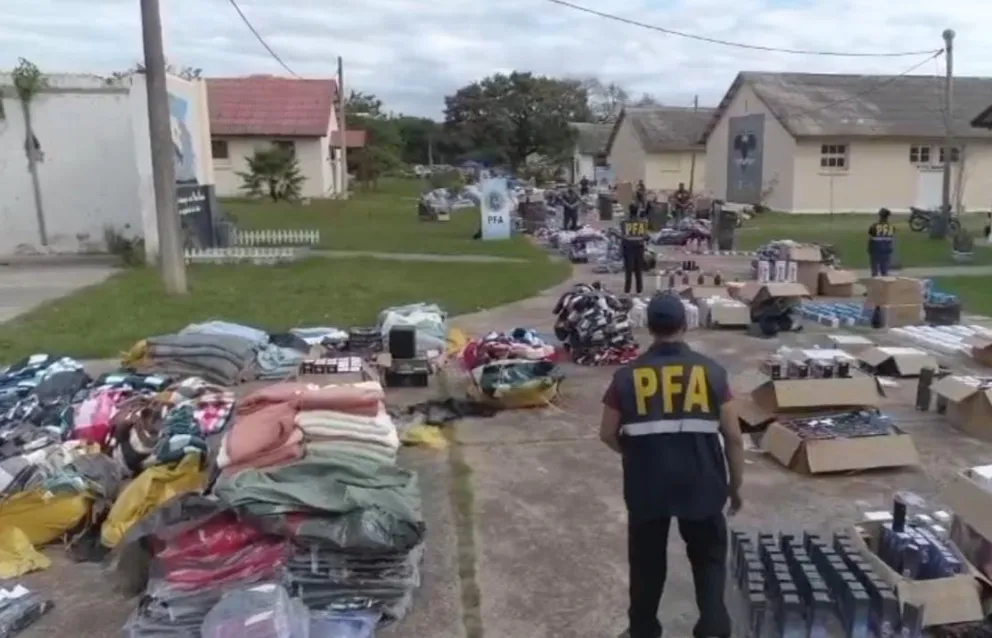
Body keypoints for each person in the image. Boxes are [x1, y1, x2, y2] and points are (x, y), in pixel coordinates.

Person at [599, 293, 745, 638]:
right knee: (708, 560)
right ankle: (712, 627)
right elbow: (734, 437)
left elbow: (606, 433)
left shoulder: (626, 377)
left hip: (647, 484)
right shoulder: (711, 372)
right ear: (685, 324)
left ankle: (643, 629)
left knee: (646, 563)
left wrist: (632, 454)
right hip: (703, 482)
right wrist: (735, 486)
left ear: (649, 327)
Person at [620, 215, 648, 295]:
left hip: (628, 248)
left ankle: (627, 291)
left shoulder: (624, 222)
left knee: (628, 270)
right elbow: (645, 236)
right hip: (639, 248)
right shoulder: (643, 222)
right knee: (638, 270)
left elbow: (623, 236)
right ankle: (639, 291)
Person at [867, 207, 895, 276]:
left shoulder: (874, 226)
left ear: (880, 215)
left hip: (875, 250)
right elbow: (890, 238)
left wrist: (869, 248)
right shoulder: (891, 227)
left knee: (875, 271)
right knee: (884, 271)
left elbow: (870, 237)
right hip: (886, 250)